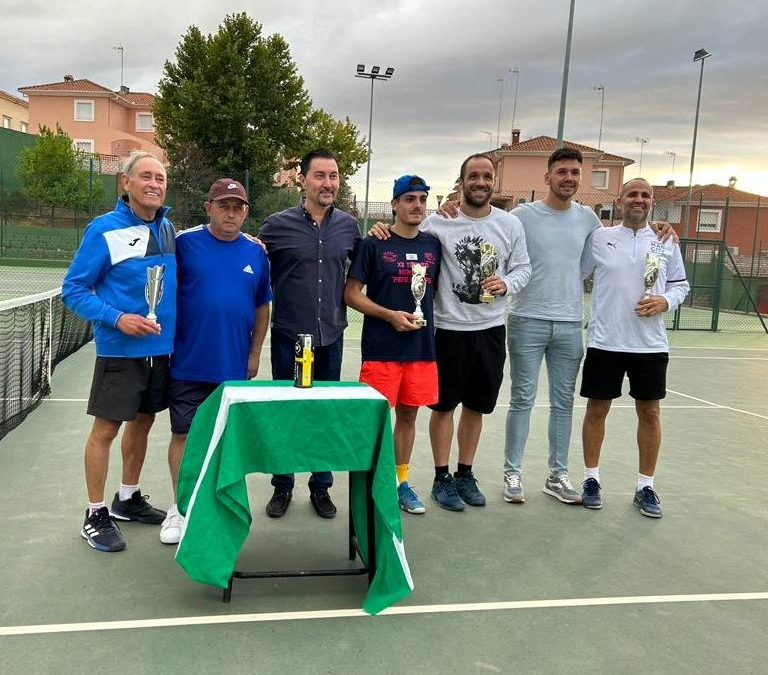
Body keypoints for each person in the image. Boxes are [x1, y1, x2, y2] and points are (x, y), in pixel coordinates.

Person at [371, 154, 531, 511]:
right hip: (446, 331)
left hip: (490, 330)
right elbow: (404, 234)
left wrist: (505, 282)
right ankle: (442, 477)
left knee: (477, 406)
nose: (480, 181)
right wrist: (378, 230)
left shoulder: (509, 225)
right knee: (443, 407)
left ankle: (465, 473)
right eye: (473, 176)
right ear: (461, 183)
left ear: (494, 182)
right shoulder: (436, 223)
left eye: (487, 176)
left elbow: (523, 268)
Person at [62, 151, 176, 553]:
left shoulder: (168, 229)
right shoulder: (103, 229)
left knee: (143, 422)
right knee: (106, 430)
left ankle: (127, 498)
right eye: (146, 176)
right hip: (120, 351)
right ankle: (94, 514)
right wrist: (117, 318)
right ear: (125, 184)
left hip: (161, 350)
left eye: (160, 178)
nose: (154, 184)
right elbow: (74, 289)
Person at [160, 178, 272, 544]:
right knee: (185, 436)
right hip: (188, 363)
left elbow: (261, 307)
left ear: (246, 213)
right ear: (208, 207)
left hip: (233, 367)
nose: (230, 212)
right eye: (223, 205)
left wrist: (254, 353)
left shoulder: (256, 253)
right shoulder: (184, 245)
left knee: (224, 441)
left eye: (238, 206)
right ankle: (180, 509)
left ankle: (216, 507)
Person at [258, 149, 361, 519]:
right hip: (289, 339)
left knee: (324, 415)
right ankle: (282, 486)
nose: (328, 183)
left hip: (330, 339)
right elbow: (251, 267)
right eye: (320, 176)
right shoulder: (274, 226)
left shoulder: (350, 226)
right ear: (303, 179)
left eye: (333, 176)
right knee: (286, 414)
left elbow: (368, 265)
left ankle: (321, 486)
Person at [579, 178, 689, 518]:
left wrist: (665, 301)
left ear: (652, 202)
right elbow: (577, 274)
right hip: (605, 341)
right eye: (632, 194)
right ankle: (591, 479)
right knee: (597, 411)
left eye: (644, 195)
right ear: (620, 200)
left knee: (650, 413)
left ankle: (645, 486)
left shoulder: (666, 240)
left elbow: (680, 284)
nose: (638, 200)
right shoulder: (600, 237)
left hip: (650, 345)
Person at [344, 175, 442, 514]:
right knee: (374, 419)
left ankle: (401, 482)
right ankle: (371, 481)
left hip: (421, 351)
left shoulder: (433, 245)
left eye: (422, 199)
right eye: (409, 199)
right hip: (382, 349)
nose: (417, 205)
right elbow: (351, 294)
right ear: (395, 205)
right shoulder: (374, 244)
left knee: (409, 417)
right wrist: (389, 315)